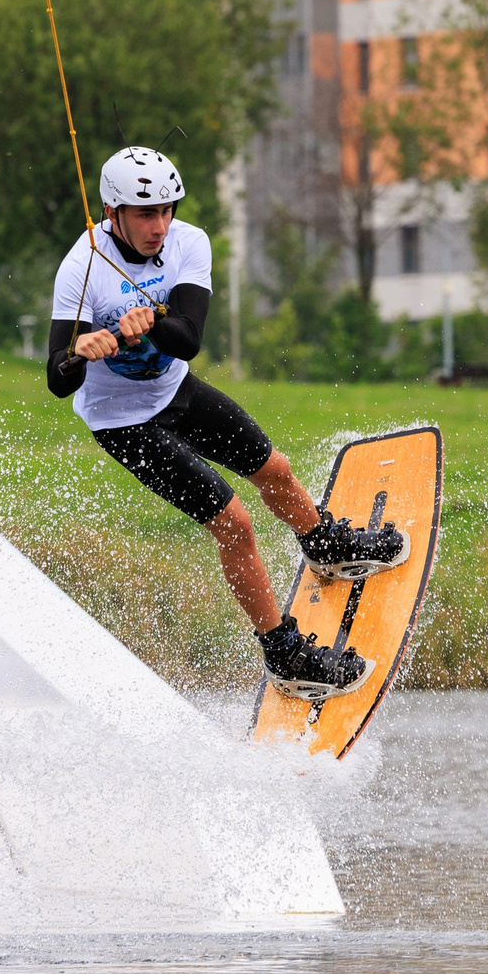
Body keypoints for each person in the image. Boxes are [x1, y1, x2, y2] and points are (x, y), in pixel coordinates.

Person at [47, 146, 407, 700]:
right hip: (121, 423)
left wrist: (153, 321)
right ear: (112, 211)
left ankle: (324, 547)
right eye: (146, 214)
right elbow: (57, 378)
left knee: (275, 469)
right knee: (234, 523)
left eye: (167, 210)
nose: (159, 226)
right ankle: (284, 657)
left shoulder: (190, 243)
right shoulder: (81, 266)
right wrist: (82, 350)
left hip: (176, 390)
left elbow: (189, 336)